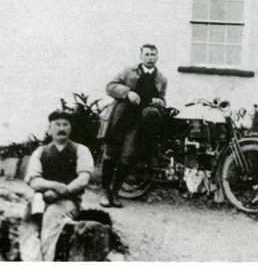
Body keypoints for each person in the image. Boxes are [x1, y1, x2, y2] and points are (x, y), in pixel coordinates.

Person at [97, 43, 168, 208]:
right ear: (141, 56)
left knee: (128, 157)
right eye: (147, 54)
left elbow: (163, 99)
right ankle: (105, 192)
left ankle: (115, 192)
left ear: (157, 57)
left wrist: (159, 101)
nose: (150, 57)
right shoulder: (128, 71)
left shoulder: (161, 79)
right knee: (110, 154)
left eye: (153, 54)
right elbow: (110, 87)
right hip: (120, 118)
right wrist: (127, 92)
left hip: (138, 123)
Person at [19, 110, 94, 261]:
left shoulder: (81, 150)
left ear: (70, 128)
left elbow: (83, 178)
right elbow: (33, 180)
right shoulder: (41, 151)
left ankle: (48, 260)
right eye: (57, 124)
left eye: (65, 124)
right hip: (43, 199)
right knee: (28, 219)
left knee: (52, 216)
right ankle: (32, 260)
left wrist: (61, 192)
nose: (62, 128)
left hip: (69, 202)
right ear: (50, 128)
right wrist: (54, 185)